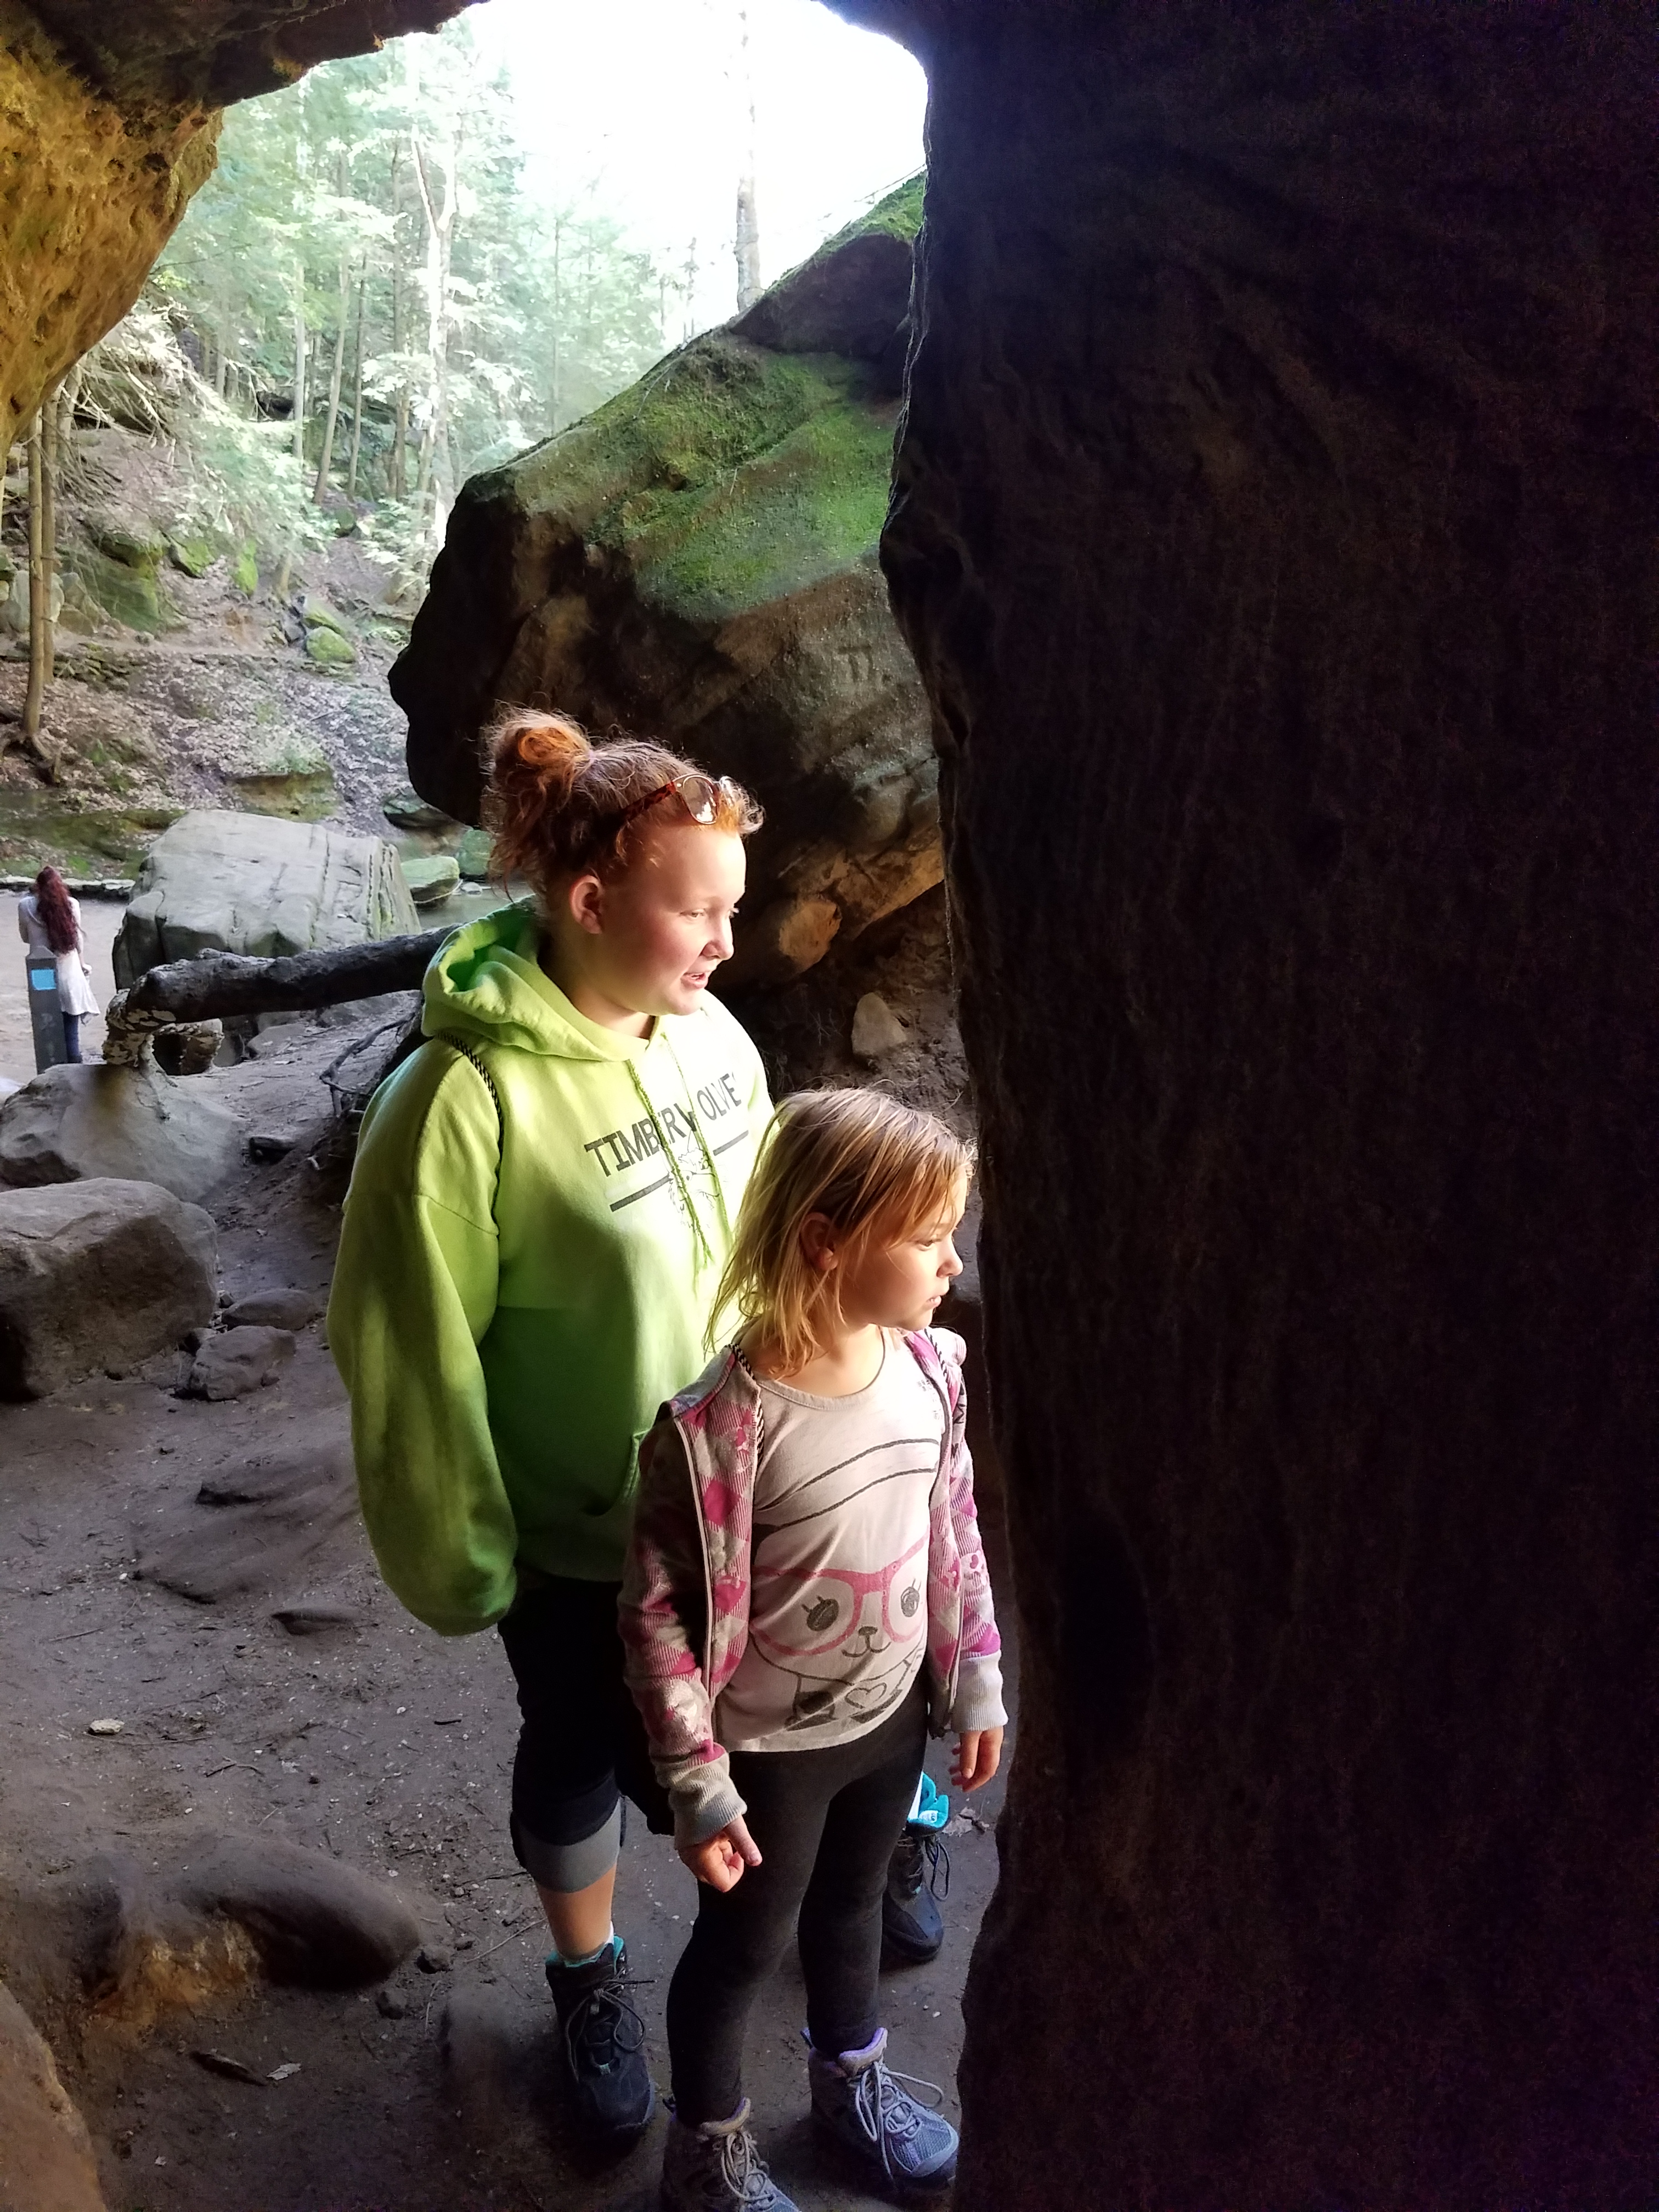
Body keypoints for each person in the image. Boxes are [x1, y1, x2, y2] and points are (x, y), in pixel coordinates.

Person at [326, 709, 771, 2142]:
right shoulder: (459, 1102)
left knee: (761, 1719)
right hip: (579, 1540)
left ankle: (866, 1858)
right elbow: (409, 1349)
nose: (728, 945)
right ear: (590, 902)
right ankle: (588, 1975)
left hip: (738, 1499)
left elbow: (767, 1250)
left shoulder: (713, 1042)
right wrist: (467, 1558)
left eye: (734, 909)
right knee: (579, 1746)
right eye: (698, 913)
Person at [620, 1089, 1007, 2212]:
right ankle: (705, 2151)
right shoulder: (717, 1429)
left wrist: (975, 1678)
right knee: (743, 1946)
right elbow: (654, 1616)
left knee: (854, 1908)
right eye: (927, 1237)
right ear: (827, 1243)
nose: (952, 1260)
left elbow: (953, 1529)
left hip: (888, 1719)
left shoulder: (931, 1369)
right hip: (769, 1754)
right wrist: (696, 1784)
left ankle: (849, 2093)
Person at [16, 865, 99, 1063]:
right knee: (71, 1033)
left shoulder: (25, 906)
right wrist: (83, 964)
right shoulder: (71, 905)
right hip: (69, 976)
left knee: (45, 1030)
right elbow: (77, 941)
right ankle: (74, 1072)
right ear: (61, 886)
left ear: (37, 886)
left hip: (41, 976)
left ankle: (49, 1072)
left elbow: (25, 938)